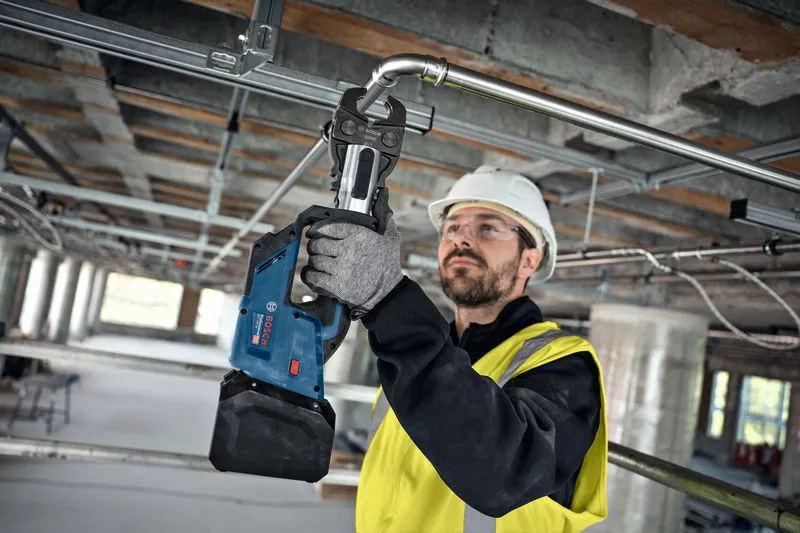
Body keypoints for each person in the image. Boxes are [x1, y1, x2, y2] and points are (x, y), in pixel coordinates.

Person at [302, 165, 608, 532]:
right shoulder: (415, 354)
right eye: (452, 228)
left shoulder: (562, 362)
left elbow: (503, 474)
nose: (461, 239)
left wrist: (389, 302)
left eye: (488, 228)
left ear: (530, 259)